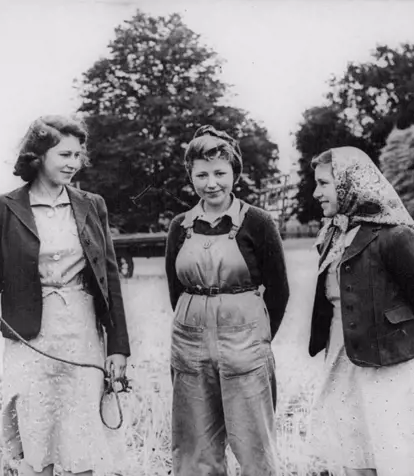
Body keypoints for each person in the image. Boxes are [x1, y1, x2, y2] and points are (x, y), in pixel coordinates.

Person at [0, 115, 130, 476]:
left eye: (78, 155)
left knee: (82, 439)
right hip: (29, 336)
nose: (73, 163)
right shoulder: (1, 208)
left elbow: (109, 278)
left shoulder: (91, 204)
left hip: (82, 332)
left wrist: (118, 346)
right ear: (38, 156)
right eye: (64, 154)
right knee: (36, 439)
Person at [308, 146, 414, 476]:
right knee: (351, 444)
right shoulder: (332, 234)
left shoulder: (394, 236)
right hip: (341, 353)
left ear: (349, 183)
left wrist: (391, 340)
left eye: (323, 183)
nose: (316, 193)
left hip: (387, 362)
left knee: (393, 446)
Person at [164, 125, 289, 476]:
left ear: (234, 172)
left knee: (253, 446)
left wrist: (256, 338)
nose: (211, 183)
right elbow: (175, 289)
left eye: (220, 172)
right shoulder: (180, 225)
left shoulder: (258, 222)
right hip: (190, 345)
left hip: (245, 343)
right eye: (201, 174)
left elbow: (279, 290)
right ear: (191, 176)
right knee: (194, 447)